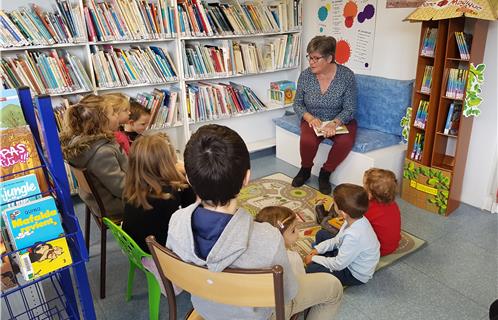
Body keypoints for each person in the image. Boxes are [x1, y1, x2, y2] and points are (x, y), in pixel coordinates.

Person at [167, 124, 343, 320]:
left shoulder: (176, 222)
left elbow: (175, 284)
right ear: (246, 178)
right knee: (333, 288)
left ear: (189, 179)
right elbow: (288, 293)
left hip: (208, 309)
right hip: (258, 315)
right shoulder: (268, 237)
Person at [292, 35, 357, 195]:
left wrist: (335, 123)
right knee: (307, 140)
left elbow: (350, 108)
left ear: (329, 58)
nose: (311, 62)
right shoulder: (305, 76)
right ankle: (305, 169)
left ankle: (325, 173)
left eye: (316, 58)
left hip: (340, 118)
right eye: (309, 57)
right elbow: (297, 103)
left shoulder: (346, 76)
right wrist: (310, 118)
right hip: (313, 118)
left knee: (345, 141)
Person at [122, 133, 196, 253]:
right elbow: (192, 217)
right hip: (161, 259)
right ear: (167, 163)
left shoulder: (134, 190)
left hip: (139, 252)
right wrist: (187, 175)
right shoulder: (166, 196)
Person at [60, 94, 128, 221]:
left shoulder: (81, 143)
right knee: (166, 195)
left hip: (98, 201)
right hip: (115, 206)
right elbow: (123, 189)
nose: (116, 116)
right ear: (101, 122)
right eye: (113, 113)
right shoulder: (103, 153)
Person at [305, 184, 380, 287]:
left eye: (334, 203)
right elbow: (337, 240)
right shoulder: (353, 218)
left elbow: (338, 264)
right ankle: (324, 258)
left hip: (353, 274)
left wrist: (314, 258)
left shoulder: (354, 236)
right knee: (321, 234)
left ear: (343, 213)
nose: (332, 204)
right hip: (348, 256)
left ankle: (323, 260)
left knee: (311, 269)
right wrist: (318, 249)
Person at [255, 206, 305, 276]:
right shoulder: (293, 258)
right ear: (278, 236)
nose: (298, 231)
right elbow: (300, 279)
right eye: (293, 230)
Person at [363, 168, 401, 256]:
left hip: (377, 250)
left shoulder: (369, 208)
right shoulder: (393, 204)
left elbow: (355, 222)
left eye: (365, 186)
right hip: (392, 245)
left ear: (371, 193)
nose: (363, 188)